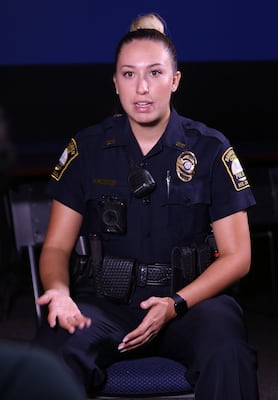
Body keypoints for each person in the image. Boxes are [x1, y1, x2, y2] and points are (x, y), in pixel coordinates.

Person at [30, 15, 259, 400]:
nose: (142, 87)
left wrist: (175, 303)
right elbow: (55, 247)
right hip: (104, 306)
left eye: (155, 73)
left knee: (228, 351)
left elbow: (238, 256)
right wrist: (59, 291)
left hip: (190, 304)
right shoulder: (86, 149)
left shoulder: (211, 148)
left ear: (175, 80)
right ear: (115, 83)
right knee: (52, 354)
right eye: (129, 74)